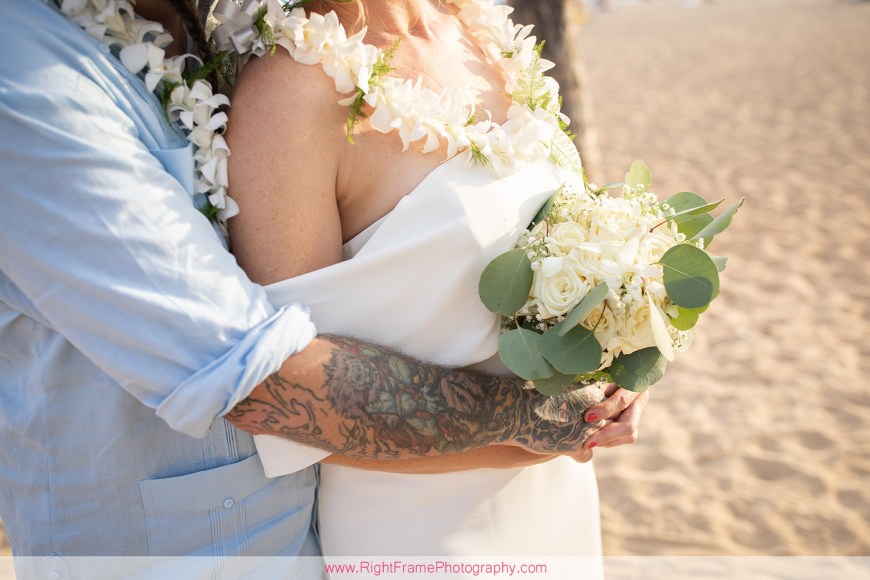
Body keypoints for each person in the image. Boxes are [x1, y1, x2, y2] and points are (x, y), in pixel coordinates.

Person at [0, 0, 643, 574]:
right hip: (185, 549)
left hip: (520, 502)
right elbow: (266, 381)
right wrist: (537, 419)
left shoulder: (210, 25)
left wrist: (616, 338)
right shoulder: (32, 79)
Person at [225, 0, 648, 562]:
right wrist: (531, 427)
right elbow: (286, 397)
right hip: (423, 533)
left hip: (558, 499)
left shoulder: (484, 32)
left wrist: (622, 348)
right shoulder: (289, 93)